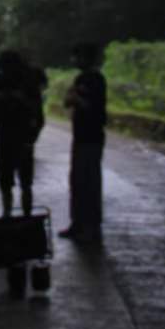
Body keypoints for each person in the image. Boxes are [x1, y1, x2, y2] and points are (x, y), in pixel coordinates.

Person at [0, 50, 45, 217]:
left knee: (9, 182)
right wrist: (32, 138)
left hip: (10, 138)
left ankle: (9, 214)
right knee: (23, 182)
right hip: (21, 139)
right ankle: (24, 216)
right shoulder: (27, 83)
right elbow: (39, 116)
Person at [59, 42, 106, 243]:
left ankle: (92, 226)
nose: (74, 61)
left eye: (77, 57)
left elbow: (89, 106)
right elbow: (67, 101)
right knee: (77, 181)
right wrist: (75, 98)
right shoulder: (81, 78)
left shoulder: (96, 80)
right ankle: (78, 223)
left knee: (90, 182)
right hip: (80, 137)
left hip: (92, 137)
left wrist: (76, 98)